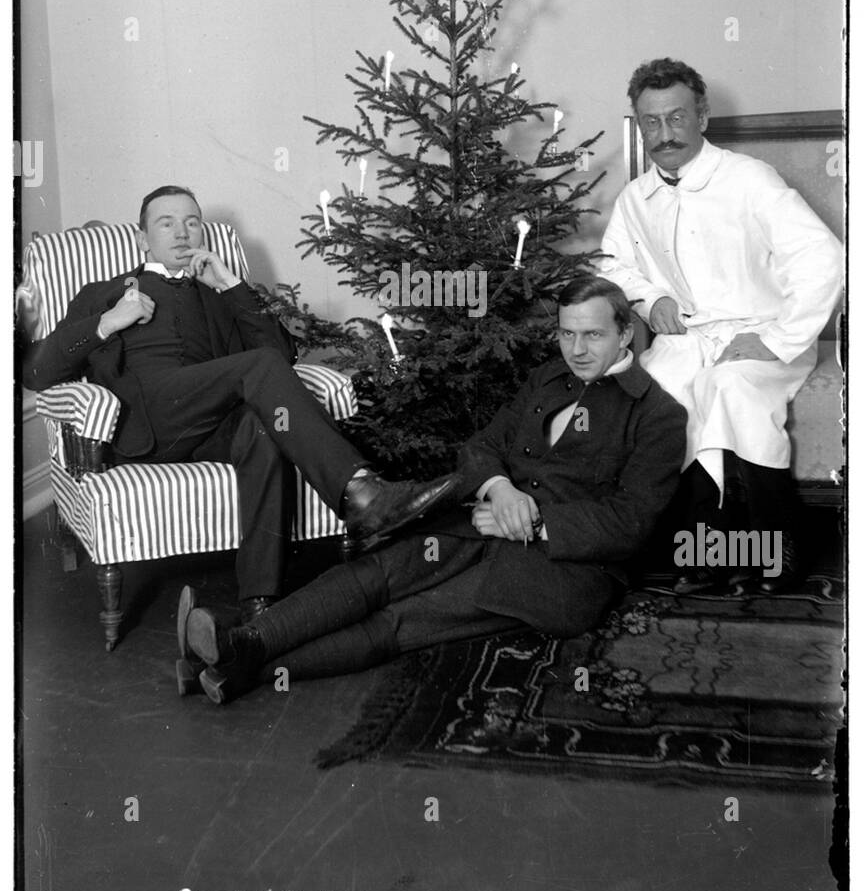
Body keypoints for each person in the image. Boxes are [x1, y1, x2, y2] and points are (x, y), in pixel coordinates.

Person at [175, 275, 688, 704]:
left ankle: (240, 665)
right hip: (479, 525)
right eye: (566, 334)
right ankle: (243, 642)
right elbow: (482, 445)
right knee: (373, 573)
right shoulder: (548, 379)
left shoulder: (658, 416)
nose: (576, 350)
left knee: (400, 621)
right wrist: (500, 487)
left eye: (593, 336)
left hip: (557, 569)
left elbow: (633, 523)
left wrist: (534, 521)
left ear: (626, 335)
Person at [21, 185, 461, 621]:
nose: (182, 233)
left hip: (210, 426)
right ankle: (361, 494)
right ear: (142, 238)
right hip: (146, 423)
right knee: (258, 370)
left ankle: (260, 605)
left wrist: (231, 285)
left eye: (192, 222)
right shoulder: (104, 293)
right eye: (166, 223)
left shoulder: (219, 294)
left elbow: (281, 359)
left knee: (264, 429)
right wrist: (108, 322)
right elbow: (35, 373)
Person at [596, 58, 843, 592]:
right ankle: (704, 550)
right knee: (654, 395)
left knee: (730, 388)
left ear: (702, 118)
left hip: (763, 333)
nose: (665, 135)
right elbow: (612, 263)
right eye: (652, 123)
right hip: (689, 334)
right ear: (640, 125)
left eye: (678, 118)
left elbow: (824, 256)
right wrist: (652, 295)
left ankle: (779, 550)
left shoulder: (749, 179)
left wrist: (776, 338)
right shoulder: (637, 198)